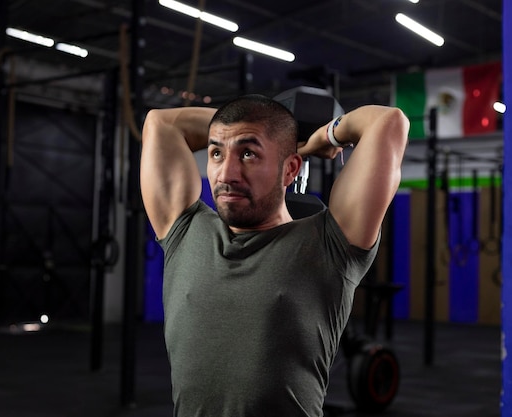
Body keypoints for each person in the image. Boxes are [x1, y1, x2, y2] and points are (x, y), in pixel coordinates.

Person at [140, 94, 409, 417]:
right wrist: (275, 130)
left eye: (249, 154)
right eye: (216, 153)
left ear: (290, 169)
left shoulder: (329, 244)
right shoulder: (184, 231)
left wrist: (322, 136)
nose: (226, 174)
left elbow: (388, 122)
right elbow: (161, 122)